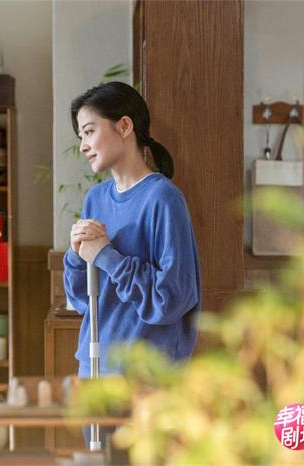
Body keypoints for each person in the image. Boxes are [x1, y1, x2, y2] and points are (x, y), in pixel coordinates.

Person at [63, 81, 202, 448]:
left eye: (89, 131)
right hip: (95, 371)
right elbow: (83, 302)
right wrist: (76, 255)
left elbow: (171, 299)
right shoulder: (96, 199)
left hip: (147, 381)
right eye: (80, 136)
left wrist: (107, 256)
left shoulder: (163, 198)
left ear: (124, 126)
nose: (83, 145)